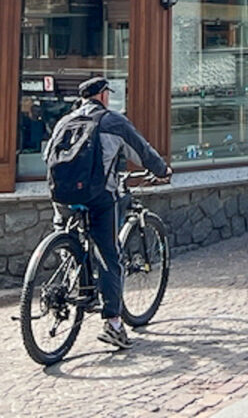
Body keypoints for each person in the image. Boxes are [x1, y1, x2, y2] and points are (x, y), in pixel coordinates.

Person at [70, 76, 169, 349]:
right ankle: (113, 323)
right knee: (109, 254)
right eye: (108, 94)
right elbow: (142, 151)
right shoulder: (112, 121)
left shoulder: (66, 121)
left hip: (62, 194)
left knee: (72, 236)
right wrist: (162, 171)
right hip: (98, 195)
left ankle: (69, 275)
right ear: (102, 95)